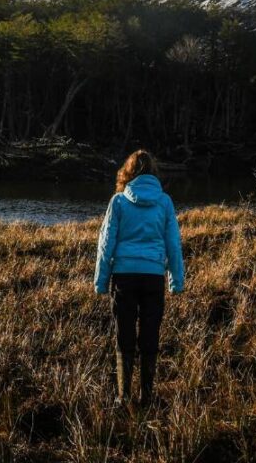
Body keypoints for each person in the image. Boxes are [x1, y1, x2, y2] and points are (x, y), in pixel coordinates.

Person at [94, 149, 185, 409]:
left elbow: (105, 244)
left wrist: (101, 281)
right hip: (153, 277)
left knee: (124, 334)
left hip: (124, 277)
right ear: (154, 173)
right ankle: (147, 395)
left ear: (128, 172)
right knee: (149, 334)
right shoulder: (164, 202)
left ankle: (123, 397)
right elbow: (173, 244)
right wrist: (176, 280)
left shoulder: (119, 201)